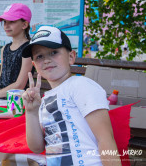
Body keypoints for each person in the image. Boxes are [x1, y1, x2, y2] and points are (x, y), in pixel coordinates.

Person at [21, 26, 121, 166]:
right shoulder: (45, 99)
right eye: (39, 56)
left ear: (71, 57)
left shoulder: (81, 85)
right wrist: (31, 111)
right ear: (34, 65)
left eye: (54, 52)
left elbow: (105, 139)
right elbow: (37, 147)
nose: (47, 60)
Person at [0, 3, 34, 99]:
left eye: (11, 22)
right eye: (4, 22)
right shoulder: (5, 49)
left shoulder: (28, 50)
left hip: (16, 100)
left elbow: (20, 85)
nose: (6, 26)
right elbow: (2, 78)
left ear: (24, 24)